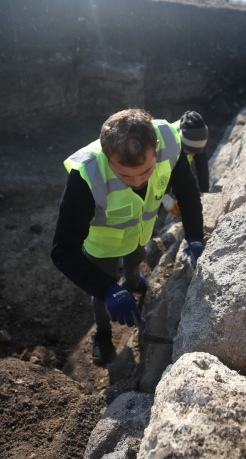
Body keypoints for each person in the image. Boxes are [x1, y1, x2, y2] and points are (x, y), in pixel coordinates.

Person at [51, 109, 205, 366]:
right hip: (104, 247)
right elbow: (63, 250)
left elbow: (188, 192)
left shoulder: (168, 144)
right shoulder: (86, 175)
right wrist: (107, 288)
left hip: (139, 236)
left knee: (136, 260)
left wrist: (195, 238)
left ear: (155, 147)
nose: (137, 182)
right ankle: (102, 333)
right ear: (106, 153)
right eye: (124, 175)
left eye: (145, 172)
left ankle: (133, 282)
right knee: (103, 297)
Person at [161, 110, 210, 216]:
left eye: (195, 152)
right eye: (189, 152)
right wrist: (165, 199)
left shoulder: (197, 135)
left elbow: (202, 164)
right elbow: (156, 177)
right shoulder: (167, 145)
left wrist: (204, 191)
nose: (192, 155)